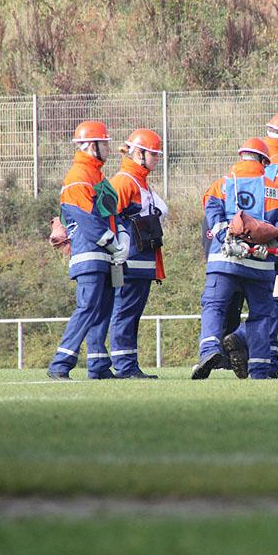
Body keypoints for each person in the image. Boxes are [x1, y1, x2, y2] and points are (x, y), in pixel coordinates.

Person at [193, 138, 278, 380]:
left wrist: (226, 238)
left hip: (224, 261)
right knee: (261, 315)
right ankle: (259, 369)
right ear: (264, 162)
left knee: (214, 307)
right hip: (260, 267)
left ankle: (209, 349)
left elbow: (213, 217)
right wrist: (269, 246)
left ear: (241, 158)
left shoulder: (220, 186)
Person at [223, 113, 278, 379]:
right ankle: (258, 354)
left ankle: (263, 359)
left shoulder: (247, 164)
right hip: (272, 246)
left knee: (257, 303)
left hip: (236, 243)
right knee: (274, 304)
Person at [47, 120, 127, 380]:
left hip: (104, 253)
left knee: (102, 308)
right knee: (88, 307)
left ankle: (99, 365)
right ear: (91, 146)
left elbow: (109, 214)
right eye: (104, 144)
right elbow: (87, 219)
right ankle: (61, 363)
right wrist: (112, 242)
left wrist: (119, 241)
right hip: (89, 252)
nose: (108, 148)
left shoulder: (97, 175)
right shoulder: (78, 176)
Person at [108, 128, 167, 379]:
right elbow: (107, 217)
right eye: (153, 154)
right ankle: (123, 366)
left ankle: (129, 365)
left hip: (141, 262)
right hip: (128, 262)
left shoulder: (139, 182)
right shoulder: (124, 181)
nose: (156, 159)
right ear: (139, 153)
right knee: (124, 312)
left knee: (132, 314)